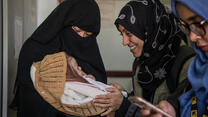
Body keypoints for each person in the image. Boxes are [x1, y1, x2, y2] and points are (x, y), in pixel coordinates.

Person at [93, 0, 192, 117]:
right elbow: (146, 101)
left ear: (149, 29)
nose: (124, 42)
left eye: (129, 34)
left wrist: (124, 105)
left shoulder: (188, 64)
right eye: (122, 34)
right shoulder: (142, 60)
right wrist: (125, 96)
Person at [10, 0, 107, 117]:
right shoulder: (34, 50)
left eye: (87, 34)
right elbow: (32, 100)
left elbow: (100, 94)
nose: (81, 37)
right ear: (63, 22)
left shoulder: (89, 52)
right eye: (76, 30)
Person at [141, 0, 208, 117]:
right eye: (186, 26)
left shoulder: (186, 60)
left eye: (198, 23)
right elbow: (181, 98)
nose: (192, 37)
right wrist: (172, 108)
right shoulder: (199, 70)